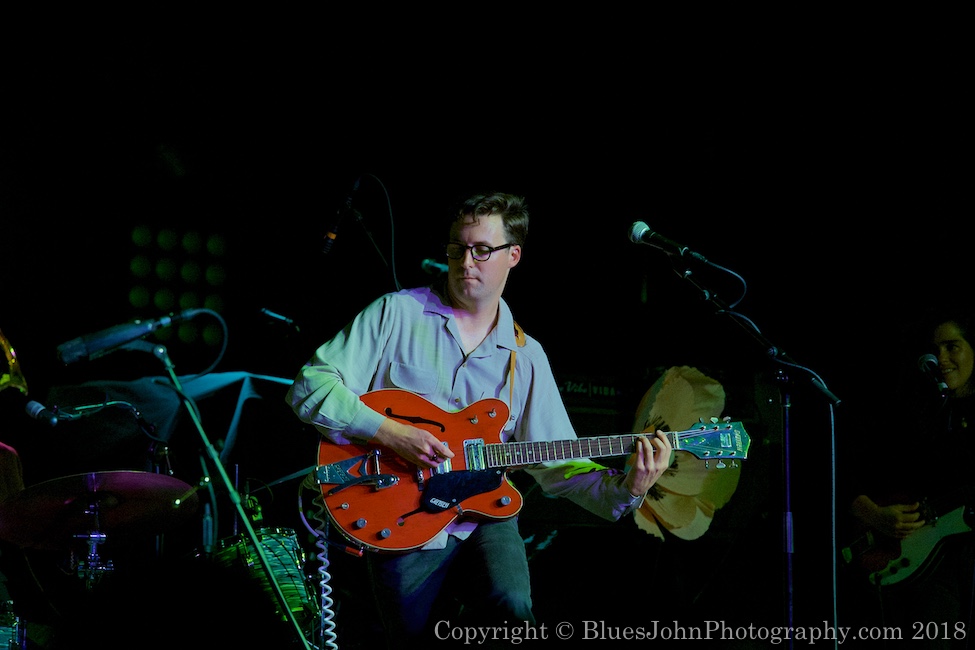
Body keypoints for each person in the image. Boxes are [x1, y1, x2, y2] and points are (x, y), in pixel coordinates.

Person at [285, 192, 673, 647]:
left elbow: (560, 468)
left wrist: (631, 487)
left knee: (512, 608)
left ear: (514, 256)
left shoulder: (526, 356)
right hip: (399, 513)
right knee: (407, 635)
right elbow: (309, 387)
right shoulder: (396, 313)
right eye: (458, 248)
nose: (466, 262)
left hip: (483, 515)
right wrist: (391, 433)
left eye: (482, 250)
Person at [842, 307, 975, 648]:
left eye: (952, 347)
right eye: (935, 349)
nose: (941, 358)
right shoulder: (913, 412)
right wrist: (873, 513)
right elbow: (850, 465)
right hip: (924, 570)